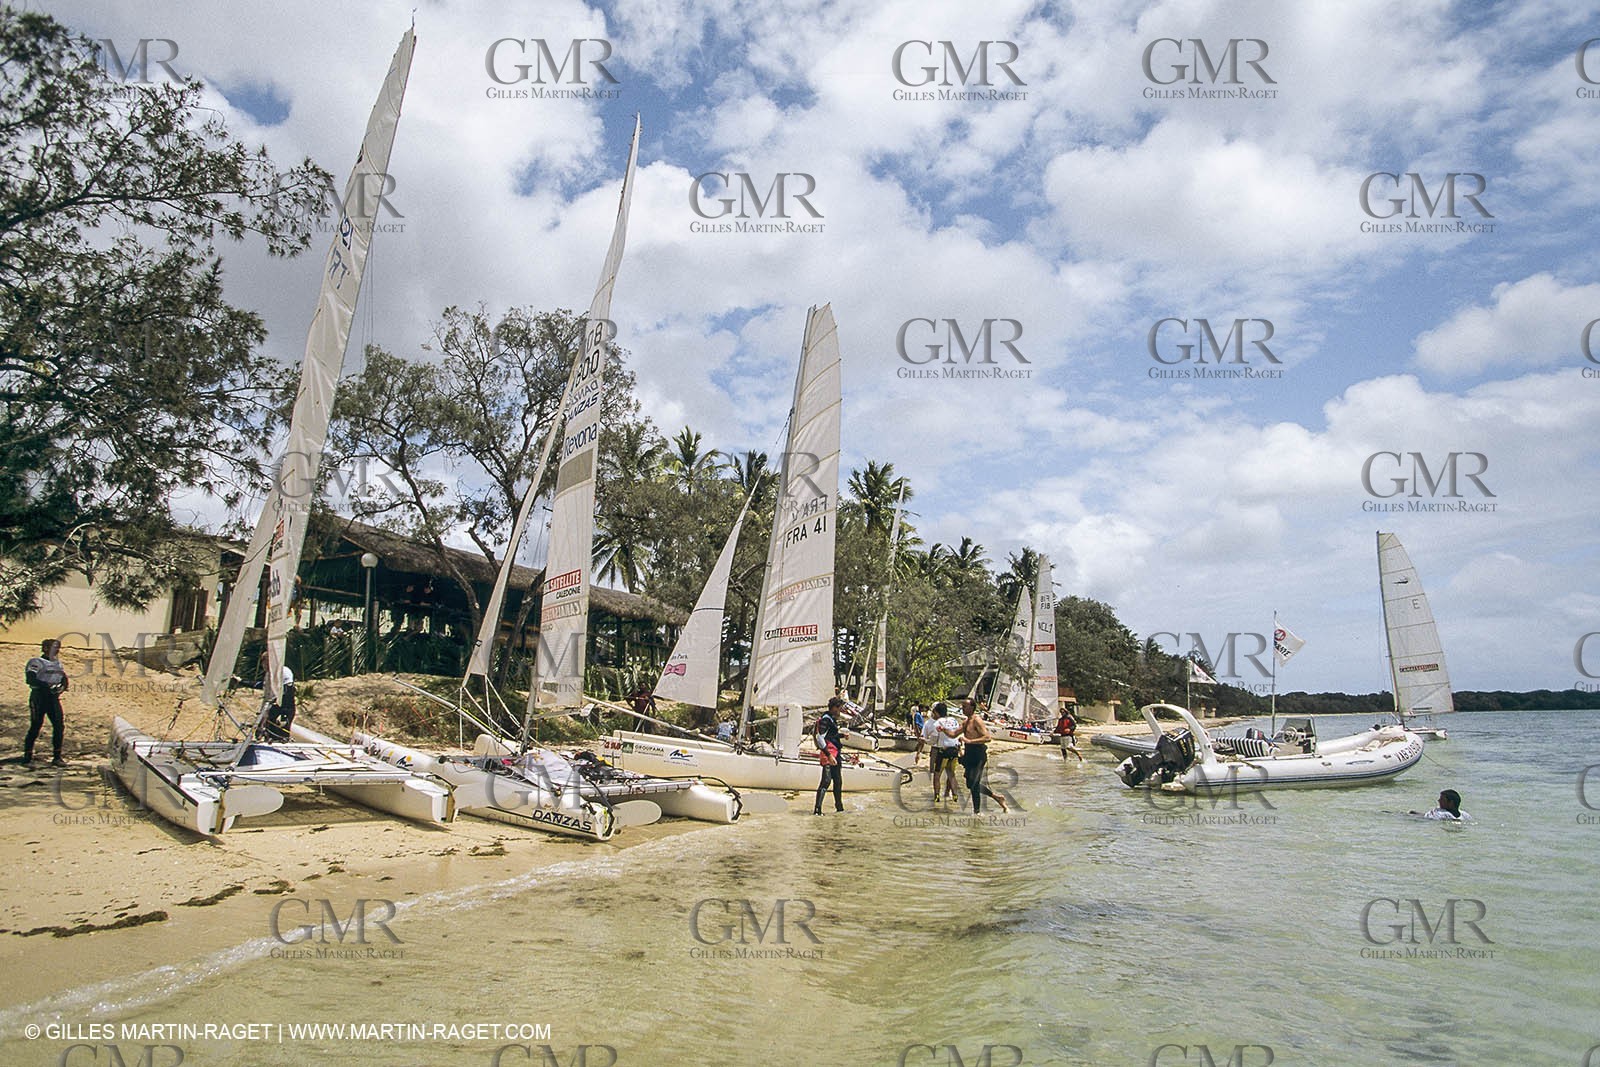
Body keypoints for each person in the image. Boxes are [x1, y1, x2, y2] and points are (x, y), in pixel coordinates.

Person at [957, 698, 1009, 814]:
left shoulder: (977, 720)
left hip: (978, 754)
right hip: (969, 753)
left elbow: (987, 737)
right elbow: (954, 733)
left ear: (972, 708)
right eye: (962, 706)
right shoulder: (966, 722)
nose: (962, 709)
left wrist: (970, 741)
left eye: (965, 706)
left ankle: (977, 812)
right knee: (970, 784)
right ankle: (996, 797)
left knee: (974, 784)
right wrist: (942, 730)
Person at [23, 639, 68, 767]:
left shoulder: (57, 664)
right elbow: (30, 679)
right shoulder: (36, 662)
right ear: (46, 648)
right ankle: (27, 757)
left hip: (52, 698)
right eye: (54, 647)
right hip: (39, 697)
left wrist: (63, 686)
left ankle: (57, 757)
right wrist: (46, 686)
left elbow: (63, 677)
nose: (57, 650)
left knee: (59, 725)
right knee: (36, 725)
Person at [813, 697, 846, 815]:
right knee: (826, 781)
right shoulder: (826, 720)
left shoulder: (831, 719)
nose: (840, 711)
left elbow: (831, 735)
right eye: (839, 708)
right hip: (829, 753)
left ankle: (839, 809)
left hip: (836, 753)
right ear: (834, 708)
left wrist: (842, 736)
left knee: (838, 781)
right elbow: (820, 738)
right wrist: (829, 755)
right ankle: (817, 810)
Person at [932, 701, 963, 801]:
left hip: (943, 751)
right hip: (954, 750)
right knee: (951, 774)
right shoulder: (954, 720)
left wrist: (925, 741)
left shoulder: (937, 723)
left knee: (937, 775)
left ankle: (937, 797)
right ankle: (955, 796)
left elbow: (934, 739)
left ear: (936, 713)